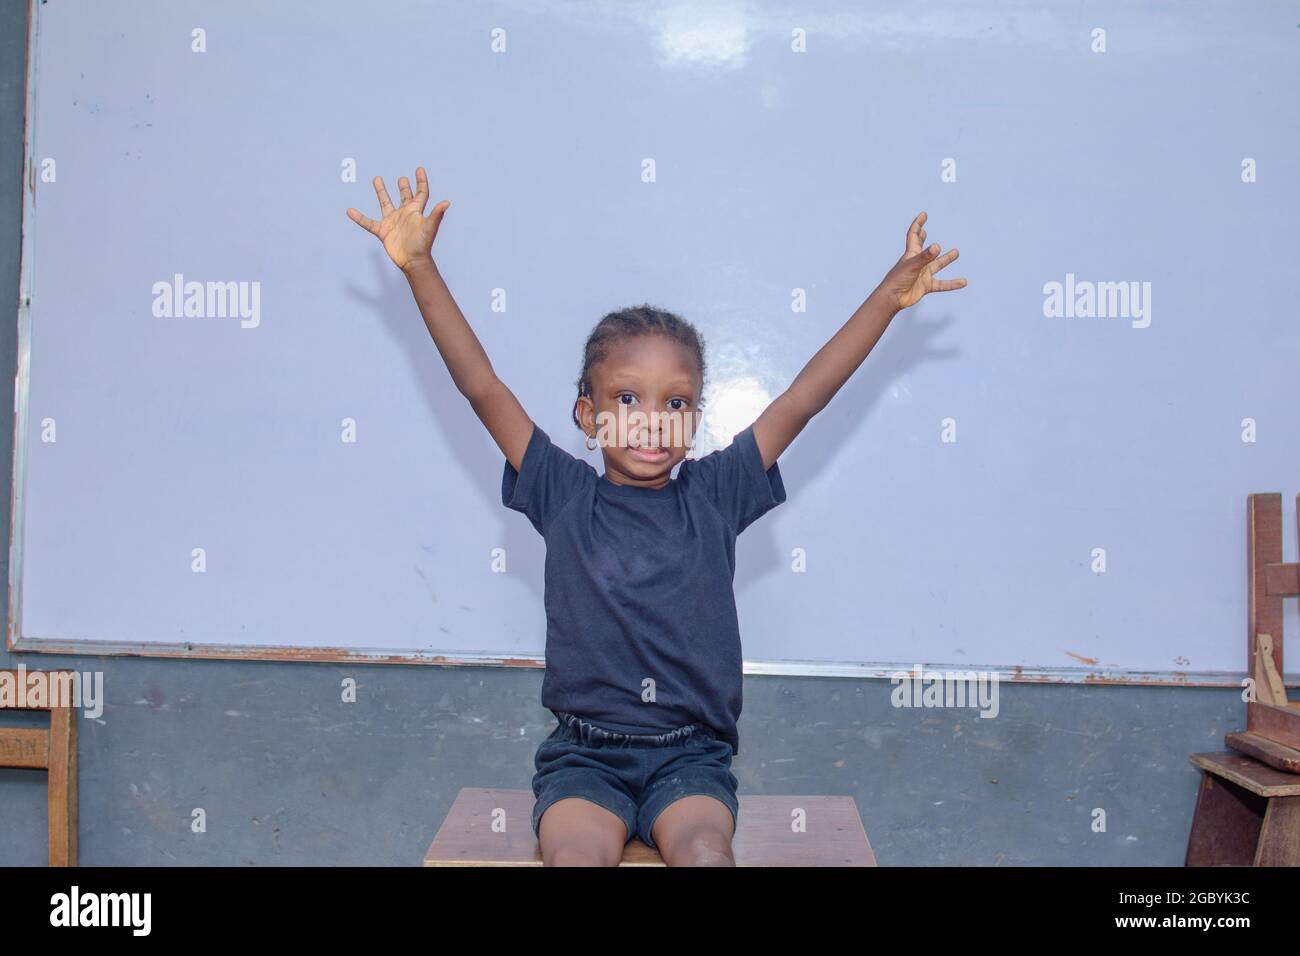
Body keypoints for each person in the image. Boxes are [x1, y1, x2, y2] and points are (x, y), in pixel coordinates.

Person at [347, 167, 966, 865]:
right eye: (628, 399)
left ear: (696, 419)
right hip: (585, 758)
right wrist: (421, 267)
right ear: (588, 415)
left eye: (676, 403)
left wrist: (887, 298)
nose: (653, 421)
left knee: (704, 851)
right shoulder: (561, 490)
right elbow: (481, 385)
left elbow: (803, 398)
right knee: (577, 855)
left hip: (690, 759)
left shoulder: (716, 493)